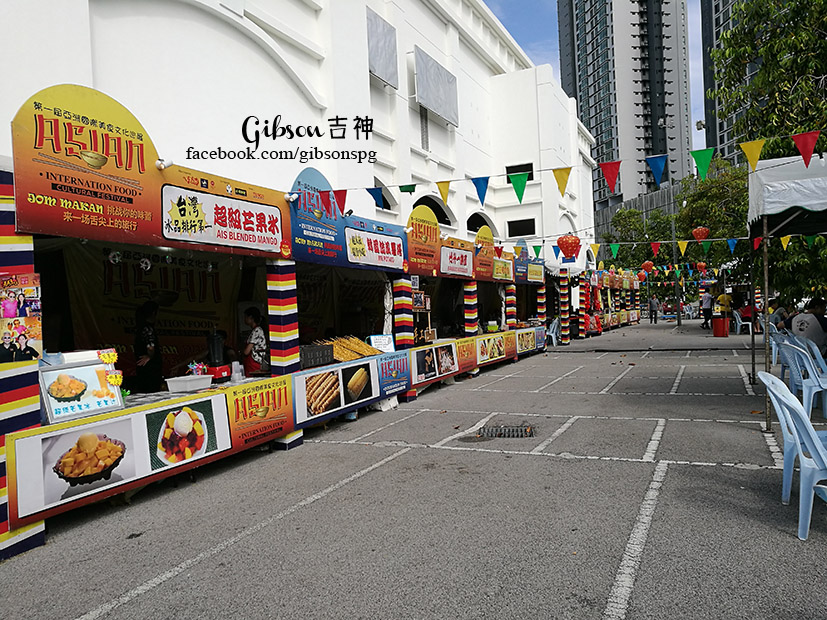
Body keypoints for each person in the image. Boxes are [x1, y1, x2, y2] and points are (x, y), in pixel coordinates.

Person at [134, 300, 162, 393]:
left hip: (143, 366)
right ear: (154, 313)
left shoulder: (140, 327)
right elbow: (150, 346)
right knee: (151, 390)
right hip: (150, 367)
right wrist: (150, 356)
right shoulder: (148, 328)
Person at [242, 306, 269, 375]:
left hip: (254, 363)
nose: (244, 319)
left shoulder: (257, 330)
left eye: (245, 317)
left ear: (251, 318)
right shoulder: (256, 330)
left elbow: (246, 351)